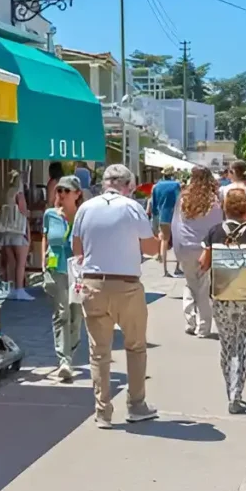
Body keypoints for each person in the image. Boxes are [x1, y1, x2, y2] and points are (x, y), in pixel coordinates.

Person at [72, 164, 158, 429]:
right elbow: (151, 249)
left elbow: (77, 248)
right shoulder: (131, 207)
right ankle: (136, 404)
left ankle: (103, 411)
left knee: (99, 352)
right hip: (127, 285)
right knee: (135, 346)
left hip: (93, 284)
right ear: (128, 185)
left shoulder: (85, 208)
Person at [199, 188, 246, 414]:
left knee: (227, 344)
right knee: (242, 344)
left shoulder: (214, 231)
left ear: (225, 208)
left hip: (221, 295)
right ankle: (236, 394)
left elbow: (203, 262)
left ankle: (228, 389)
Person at [171, 166, 223, 338]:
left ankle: (189, 321)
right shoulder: (213, 200)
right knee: (204, 288)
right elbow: (217, 227)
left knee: (190, 283)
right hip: (205, 248)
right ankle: (203, 327)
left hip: (185, 247)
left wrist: (177, 249)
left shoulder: (183, 198)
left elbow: (175, 224)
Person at [42, 175, 83, 382]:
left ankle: (70, 350)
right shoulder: (50, 214)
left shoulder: (83, 216)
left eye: (67, 191)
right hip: (56, 268)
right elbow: (45, 238)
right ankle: (64, 360)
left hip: (77, 271)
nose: (62, 194)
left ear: (77, 194)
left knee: (77, 317)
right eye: (59, 190)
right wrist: (43, 264)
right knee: (62, 314)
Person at [0, 169, 33, 301]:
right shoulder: (19, 194)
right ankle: (20, 289)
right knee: (21, 263)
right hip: (19, 231)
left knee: (10, 262)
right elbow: (24, 212)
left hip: (7, 232)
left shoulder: (7, 193)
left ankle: (10, 288)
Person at [147, 166, 182, 276]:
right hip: (175, 215)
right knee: (177, 240)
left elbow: (154, 202)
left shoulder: (156, 186)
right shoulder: (176, 185)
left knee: (164, 240)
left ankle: (165, 270)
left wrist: (155, 215)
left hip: (162, 215)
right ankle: (177, 267)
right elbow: (180, 200)